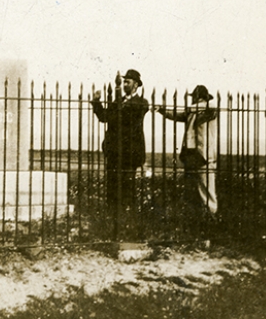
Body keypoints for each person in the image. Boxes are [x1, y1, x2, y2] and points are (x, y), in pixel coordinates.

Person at [92, 69, 149, 224]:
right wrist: (97, 102)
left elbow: (125, 118)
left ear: (136, 85)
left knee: (127, 187)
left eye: (127, 82)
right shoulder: (118, 101)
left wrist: (116, 108)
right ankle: (113, 220)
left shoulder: (141, 103)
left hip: (129, 153)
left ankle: (128, 221)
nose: (124, 85)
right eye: (123, 82)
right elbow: (105, 117)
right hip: (114, 152)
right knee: (112, 186)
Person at [158, 84, 218, 225]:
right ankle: (199, 220)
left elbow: (208, 109)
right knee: (196, 189)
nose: (193, 100)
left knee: (206, 188)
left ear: (201, 98)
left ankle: (211, 218)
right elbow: (177, 115)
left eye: (195, 97)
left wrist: (191, 108)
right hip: (192, 153)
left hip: (203, 154)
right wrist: (162, 110)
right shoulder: (193, 112)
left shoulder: (208, 109)